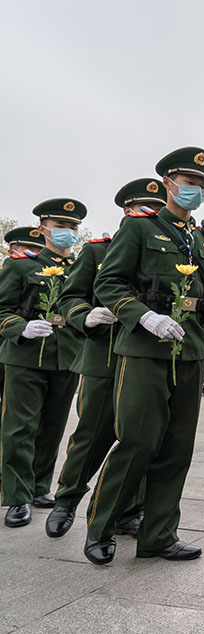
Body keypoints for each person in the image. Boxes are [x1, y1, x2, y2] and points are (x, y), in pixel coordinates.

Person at [83, 146, 204, 565]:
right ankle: (101, 526)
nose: (194, 191)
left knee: (178, 446)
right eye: (189, 183)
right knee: (138, 440)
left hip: (191, 351)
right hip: (144, 347)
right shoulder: (140, 227)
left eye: (201, 186)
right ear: (168, 183)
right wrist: (143, 318)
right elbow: (109, 283)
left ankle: (159, 534)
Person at [46, 179, 168, 540]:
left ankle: (128, 510)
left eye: (158, 208)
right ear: (126, 212)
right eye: (143, 208)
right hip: (105, 358)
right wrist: (85, 315)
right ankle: (67, 500)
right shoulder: (99, 251)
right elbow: (68, 299)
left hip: (146, 358)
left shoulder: (168, 249)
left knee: (142, 436)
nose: (151, 214)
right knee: (92, 433)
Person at [0, 199, 85, 527]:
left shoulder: (82, 267)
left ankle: (38, 487)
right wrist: (21, 327)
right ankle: (16, 497)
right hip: (26, 357)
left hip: (66, 357)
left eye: (73, 228)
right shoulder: (22, 265)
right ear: (42, 230)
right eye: (61, 226)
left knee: (52, 427)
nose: (68, 233)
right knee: (20, 427)